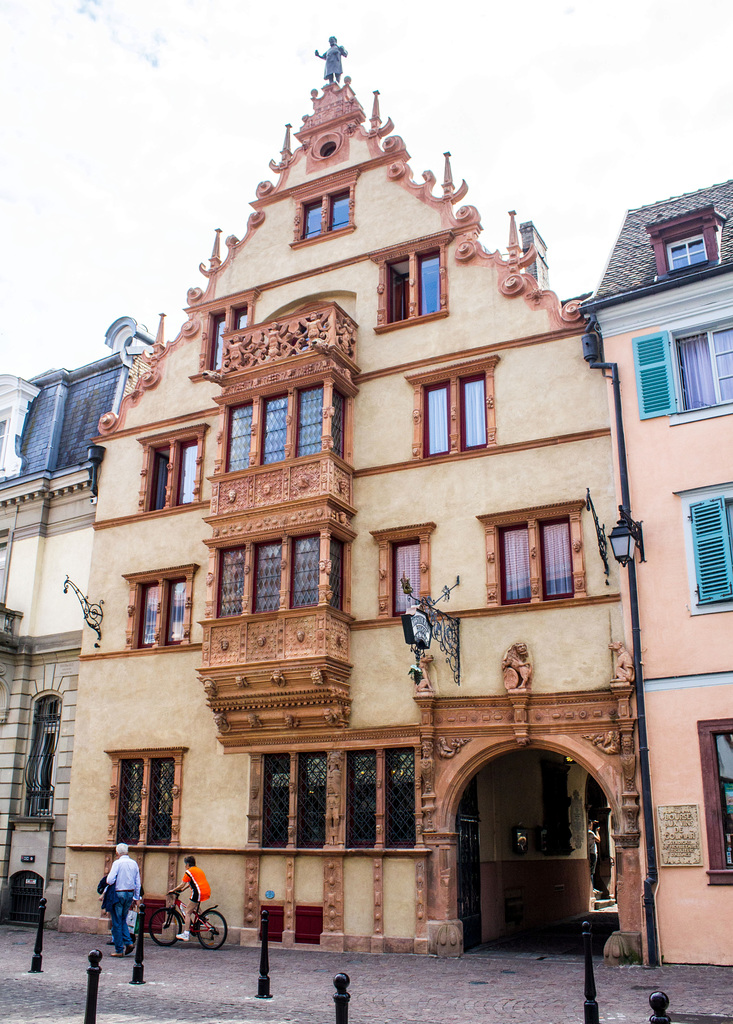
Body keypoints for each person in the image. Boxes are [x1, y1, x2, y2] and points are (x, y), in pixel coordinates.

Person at [106, 843, 141, 956]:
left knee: (116, 921)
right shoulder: (134, 863)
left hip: (119, 893)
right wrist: (136, 897)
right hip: (129, 894)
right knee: (122, 919)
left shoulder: (117, 863)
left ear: (117, 853)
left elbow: (110, 880)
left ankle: (119, 949)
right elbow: (137, 882)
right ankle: (128, 942)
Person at [168, 855, 211, 941]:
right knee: (194, 906)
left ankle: (186, 934)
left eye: (185, 864)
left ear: (187, 864)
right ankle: (203, 918)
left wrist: (173, 890)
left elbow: (182, 884)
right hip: (205, 891)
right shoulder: (198, 870)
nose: (185, 866)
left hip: (198, 892)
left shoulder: (189, 872)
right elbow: (193, 882)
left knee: (187, 912)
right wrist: (183, 889)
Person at [588, 820, 601, 892]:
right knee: (592, 871)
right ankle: (592, 888)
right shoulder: (591, 833)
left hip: (589, 853)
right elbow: (598, 840)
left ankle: (592, 887)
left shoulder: (586, 833)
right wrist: (597, 831)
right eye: (591, 824)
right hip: (592, 853)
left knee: (591, 870)